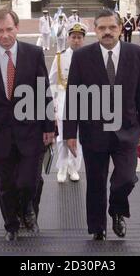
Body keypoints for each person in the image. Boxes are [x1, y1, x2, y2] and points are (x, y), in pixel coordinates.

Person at [63, 9, 140, 240]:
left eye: (112, 27)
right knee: (95, 182)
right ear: (95, 30)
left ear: (121, 28)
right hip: (94, 132)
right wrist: (70, 132)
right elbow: (74, 96)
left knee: (126, 178)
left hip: (127, 130)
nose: (107, 32)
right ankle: (97, 228)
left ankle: (117, 210)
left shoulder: (138, 54)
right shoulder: (82, 57)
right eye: (102, 28)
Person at [0, 8, 55, 241]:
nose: (5, 35)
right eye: (0, 31)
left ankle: (29, 210)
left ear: (17, 28)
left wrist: (49, 127)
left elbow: (44, 93)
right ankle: (11, 225)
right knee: (5, 184)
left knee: (30, 180)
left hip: (32, 131)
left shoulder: (34, 54)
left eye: (9, 29)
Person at [49, 22, 87, 183]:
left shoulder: (90, 57)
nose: (76, 40)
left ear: (83, 39)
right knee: (63, 137)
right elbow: (51, 82)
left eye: (79, 37)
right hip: (64, 101)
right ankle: (62, 167)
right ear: (68, 38)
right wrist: (53, 104)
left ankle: (74, 167)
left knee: (79, 137)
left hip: (84, 101)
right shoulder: (60, 57)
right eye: (73, 37)